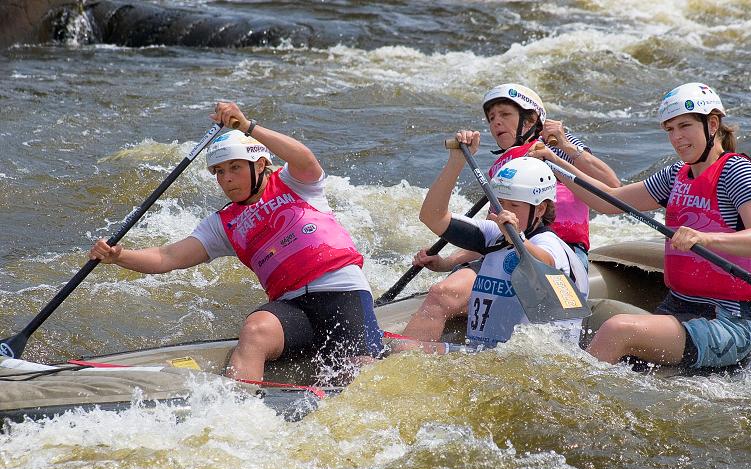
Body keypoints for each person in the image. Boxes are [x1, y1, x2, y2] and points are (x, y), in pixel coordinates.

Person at [89, 102, 383, 381]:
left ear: (260, 165)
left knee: (358, 371)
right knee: (255, 330)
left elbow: (304, 157)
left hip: (342, 291)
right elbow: (169, 257)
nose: (226, 179)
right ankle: (243, 409)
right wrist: (119, 256)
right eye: (219, 172)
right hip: (292, 307)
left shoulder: (296, 182)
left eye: (235, 168)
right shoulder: (223, 224)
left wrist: (248, 126)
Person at [528, 82, 751, 369]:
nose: (677, 137)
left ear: (712, 124)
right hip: (678, 306)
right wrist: (556, 161)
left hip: (728, 320)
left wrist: (706, 239)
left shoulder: (736, 171)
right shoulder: (676, 175)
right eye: (670, 129)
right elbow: (611, 201)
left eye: (685, 126)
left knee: (617, 329)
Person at [402, 83, 619, 342]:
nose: (496, 123)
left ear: (530, 120)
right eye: (492, 118)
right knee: (442, 293)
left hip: (560, 255)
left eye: (505, 114)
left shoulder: (556, 145)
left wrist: (564, 150)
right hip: (505, 248)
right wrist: (449, 262)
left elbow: (612, 188)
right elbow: (492, 236)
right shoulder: (501, 169)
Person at [405, 145, 589, 350]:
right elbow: (432, 217)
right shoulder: (494, 234)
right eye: (500, 203)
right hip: (487, 355)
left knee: (408, 350)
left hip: (531, 362)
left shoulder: (551, 245)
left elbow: (543, 261)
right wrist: (456, 162)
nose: (504, 212)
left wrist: (516, 237)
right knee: (403, 349)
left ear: (541, 208)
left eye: (515, 205)